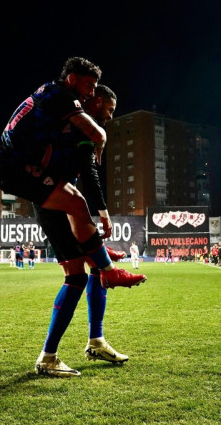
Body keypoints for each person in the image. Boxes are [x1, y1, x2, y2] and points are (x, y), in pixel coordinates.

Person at [0, 57, 143, 288]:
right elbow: (98, 135)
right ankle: (109, 270)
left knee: (78, 267)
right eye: (89, 86)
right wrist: (99, 144)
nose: (91, 93)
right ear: (72, 80)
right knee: (77, 205)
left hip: (18, 167)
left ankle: (99, 253)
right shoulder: (62, 96)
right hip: (12, 168)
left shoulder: (52, 96)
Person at [32, 85, 142, 377]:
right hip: (51, 201)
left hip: (58, 199)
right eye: (109, 110)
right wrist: (103, 212)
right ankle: (48, 357)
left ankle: (96, 341)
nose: (109, 117)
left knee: (93, 268)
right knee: (77, 275)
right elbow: (89, 175)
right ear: (94, 102)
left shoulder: (74, 126)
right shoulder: (83, 130)